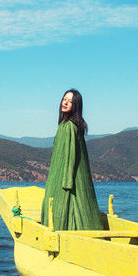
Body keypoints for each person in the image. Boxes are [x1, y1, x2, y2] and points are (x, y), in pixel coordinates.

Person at [40, 89, 104, 230]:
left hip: (65, 178)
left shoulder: (68, 126)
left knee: (62, 208)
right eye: (64, 99)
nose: (66, 103)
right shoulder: (70, 125)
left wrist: (66, 183)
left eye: (70, 101)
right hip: (66, 175)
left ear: (76, 106)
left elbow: (70, 156)